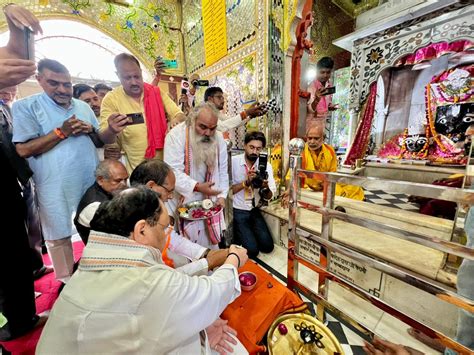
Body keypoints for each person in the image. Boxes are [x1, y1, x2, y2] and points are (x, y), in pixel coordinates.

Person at [36, 186, 249, 354]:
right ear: (142, 230)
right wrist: (233, 260)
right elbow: (210, 292)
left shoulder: (100, 262)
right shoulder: (146, 282)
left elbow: (164, 283)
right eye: (165, 227)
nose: (168, 234)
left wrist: (206, 264)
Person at [12, 58, 127, 282]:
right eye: (54, 83)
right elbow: (23, 150)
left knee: (99, 226)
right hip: (53, 186)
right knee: (58, 234)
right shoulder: (26, 107)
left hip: (89, 182)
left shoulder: (82, 107)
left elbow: (99, 141)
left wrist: (109, 130)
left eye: (67, 84)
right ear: (40, 80)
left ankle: (104, 274)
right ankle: (66, 283)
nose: (63, 90)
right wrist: (61, 132)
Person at [0, 3, 45, 341]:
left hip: (11, 185)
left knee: (17, 252)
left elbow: (17, 61)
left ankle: (22, 317)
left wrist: (16, 26)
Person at [130, 158, 230, 275]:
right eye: (169, 191)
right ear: (151, 186)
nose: (171, 197)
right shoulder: (132, 222)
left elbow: (172, 239)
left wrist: (205, 253)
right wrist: (209, 262)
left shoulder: (147, 207)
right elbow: (162, 278)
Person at [100, 53, 186, 172]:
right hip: (138, 173)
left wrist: (175, 121)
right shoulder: (111, 99)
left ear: (141, 72)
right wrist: (111, 130)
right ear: (118, 75)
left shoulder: (156, 92)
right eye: (127, 78)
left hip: (166, 168)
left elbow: (180, 115)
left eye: (137, 76)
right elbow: (105, 138)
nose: (134, 82)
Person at [164, 102, 229, 249]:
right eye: (203, 127)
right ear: (192, 121)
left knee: (210, 249)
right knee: (187, 251)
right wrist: (197, 187)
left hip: (209, 201)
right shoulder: (176, 136)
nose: (208, 133)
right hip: (183, 201)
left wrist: (222, 196)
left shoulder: (218, 139)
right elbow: (172, 172)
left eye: (212, 128)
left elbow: (223, 171)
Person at [282, 124, 364, 204]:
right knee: (340, 196)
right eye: (309, 138)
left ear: (323, 138)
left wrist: (325, 183)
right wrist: (291, 190)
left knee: (356, 188)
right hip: (307, 186)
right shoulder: (300, 151)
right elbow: (290, 175)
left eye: (316, 138)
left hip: (326, 184)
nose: (312, 142)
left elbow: (333, 174)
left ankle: (343, 205)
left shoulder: (330, 150)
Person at [231, 131, 276, 258]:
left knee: (268, 247)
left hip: (254, 209)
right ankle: (239, 231)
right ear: (244, 145)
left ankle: (245, 231)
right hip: (238, 210)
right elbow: (228, 191)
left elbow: (269, 196)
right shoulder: (233, 162)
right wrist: (246, 182)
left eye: (258, 148)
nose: (254, 152)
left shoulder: (265, 166)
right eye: (251, 147)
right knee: (252, 251)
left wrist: (265, 187)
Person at [74, 159, 129, 244]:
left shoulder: (110, 191)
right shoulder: (94, 206)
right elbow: (121, 234)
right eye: (118, 181)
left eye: (125, 179)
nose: (124, 185)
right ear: (100, 180)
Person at [307, 57, 338, 129]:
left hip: (323, 123)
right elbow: (310, 110)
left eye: (328, 72)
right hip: (311, 124)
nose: (325, 75)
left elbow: (326, 103)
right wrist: (316, 99)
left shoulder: (329, 85)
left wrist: (330, 107)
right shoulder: (311, 87)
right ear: (317, 71)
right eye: (322, 72)